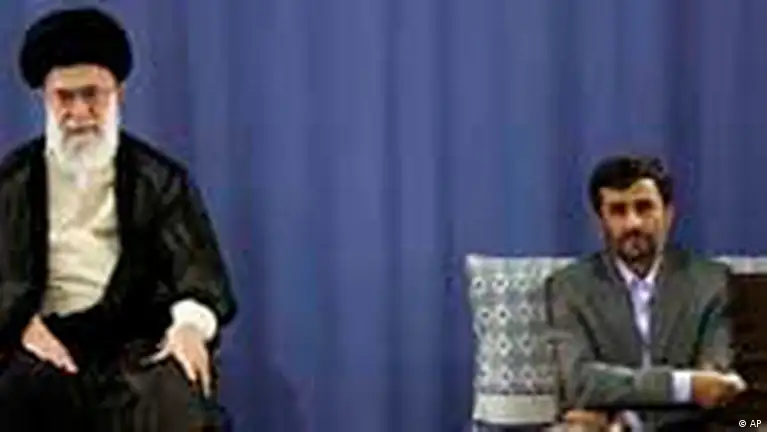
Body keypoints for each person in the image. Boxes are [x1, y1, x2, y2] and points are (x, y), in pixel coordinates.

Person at [0, 6, 237, 431]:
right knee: (19, 388)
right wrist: (19, 323)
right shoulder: (11, 182)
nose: (79, 112)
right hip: (43, 339)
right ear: (44, 98)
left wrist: (187, 327)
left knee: (177, 393)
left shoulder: (159, 179)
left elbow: (198, 276)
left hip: (135, 343)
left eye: (92, 94)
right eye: (65, 97)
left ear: (118, 94)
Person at [546, 155, 746, 430]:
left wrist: (622, 416)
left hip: (691, 428)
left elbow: (714, 386)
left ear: (668, 214)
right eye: (618, 211)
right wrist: (682, 385)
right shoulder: (568, 287)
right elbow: (579, 381)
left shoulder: (711, 282)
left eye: (644, 207)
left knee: (753, 425)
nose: (633, 223)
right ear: (600, 221)